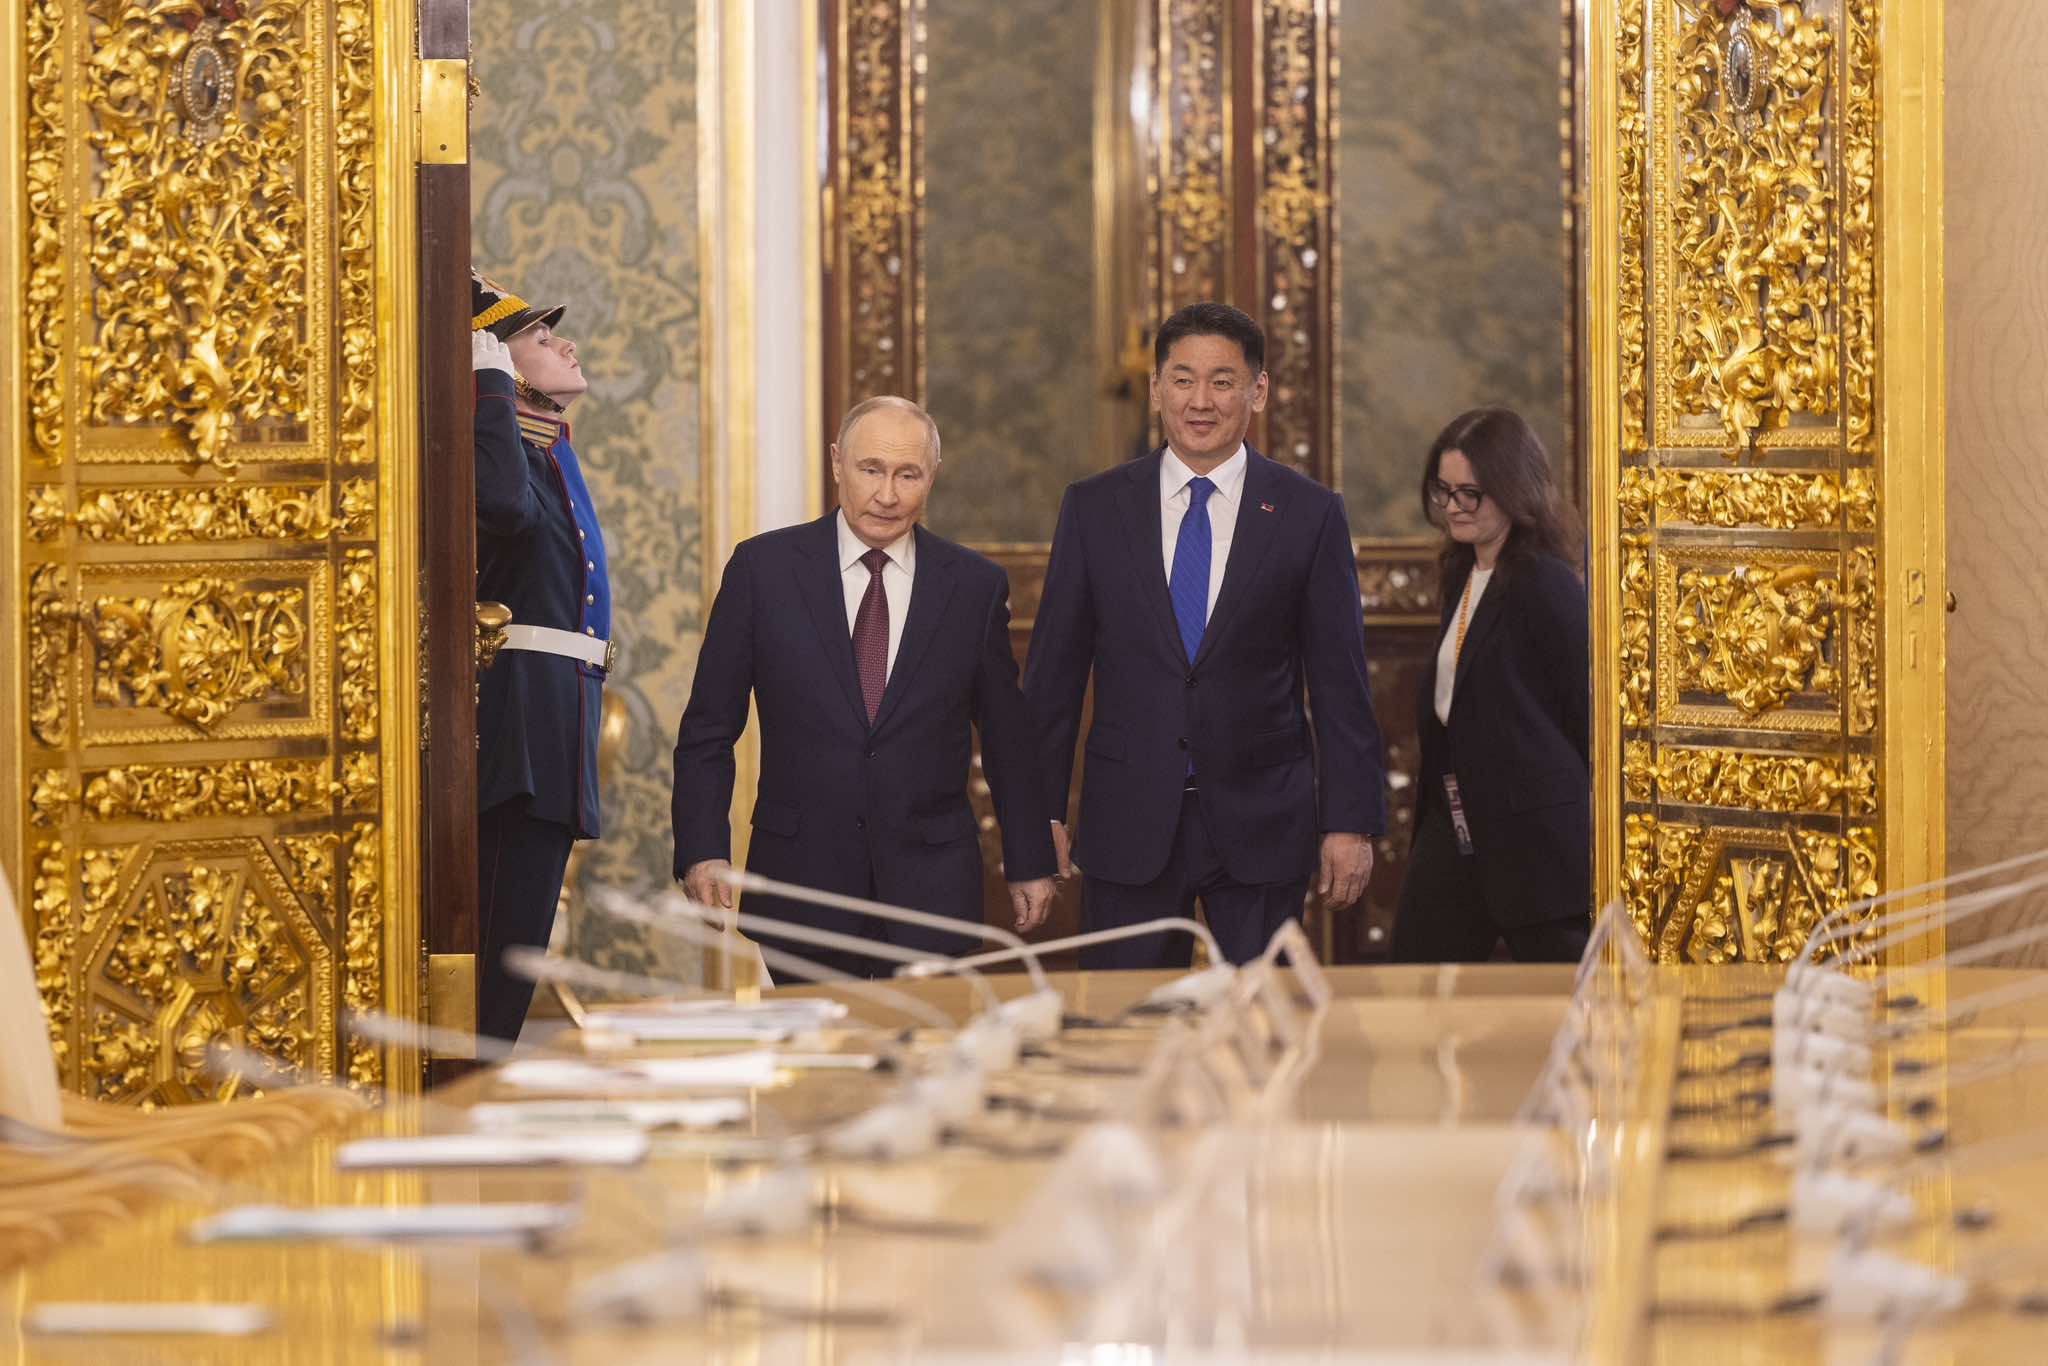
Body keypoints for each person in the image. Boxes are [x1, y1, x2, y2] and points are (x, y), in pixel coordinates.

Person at [1023, 302, 1385, 968]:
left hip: (1262, 821)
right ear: (1156, 388)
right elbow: (1053, 680)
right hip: (1128, 818)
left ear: (1258, 390)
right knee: (1123, 1019)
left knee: (1263, 1019)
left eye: (1223, 381)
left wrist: (1350, 822)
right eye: (1183, 379)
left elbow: (1341, 684)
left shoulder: (1309, 513)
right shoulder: (1095, 507)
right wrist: (1036, 816)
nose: (1200, 401)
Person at [671, 397, 1057, 976]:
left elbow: (1008, 740)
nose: (887, 494)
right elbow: (708, 728)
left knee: (924, 1037)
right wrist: (703, 849)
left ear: (933, 476)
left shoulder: (974, 587)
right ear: (837, 463)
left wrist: (1029, 858)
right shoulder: (762, 570)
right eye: (871, 469)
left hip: (932, 893)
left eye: (908, 475)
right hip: (801, 885)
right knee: (821, 1038)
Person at [1389, 406, 1590, 963]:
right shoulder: (1461, 572)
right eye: (1444, 492)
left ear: (1513, 491)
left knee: (1563, 998)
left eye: (1470, 494)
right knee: (1415, 981)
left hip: (1534, 844)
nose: (1453, 507)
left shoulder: (1543, 582)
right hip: (1455, 826)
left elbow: (1586, 714)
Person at [469, 269, 612, 1042]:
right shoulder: (501, 454)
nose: (567, 346)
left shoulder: (545, 449)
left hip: (555, 725)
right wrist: (488, 383)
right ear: (501, 361)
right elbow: (501, 507)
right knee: (493, 981)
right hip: (518, 734)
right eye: (541, 338)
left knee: (512, 976)